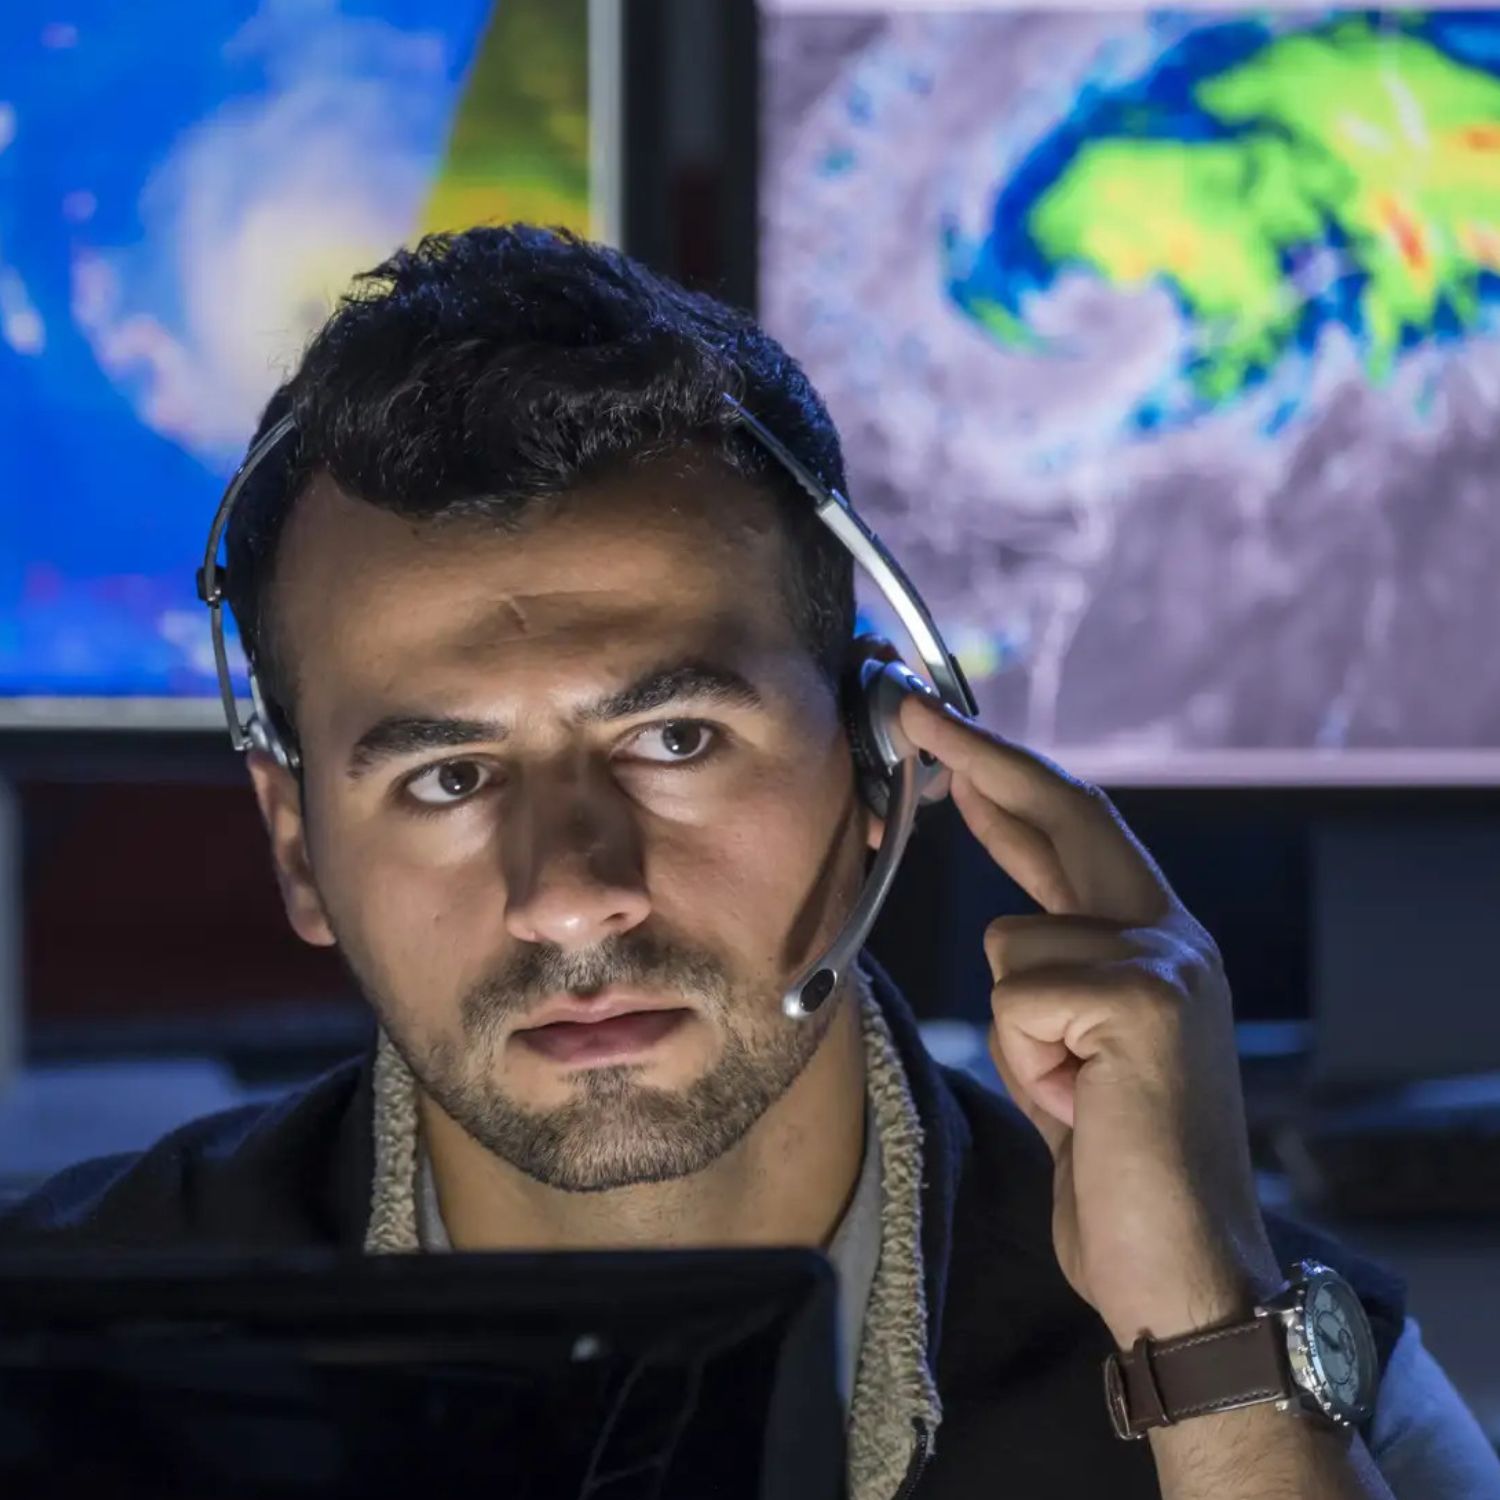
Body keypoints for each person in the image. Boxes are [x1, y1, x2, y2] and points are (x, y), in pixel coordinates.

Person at [4, 227, 1497, 1500]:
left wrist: (1212, 1354)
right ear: (297, 848)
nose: (571, 889)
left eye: (673, 742)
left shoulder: (1283, 1360)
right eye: (449, 776)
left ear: (878, 766)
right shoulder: (47, 1356)